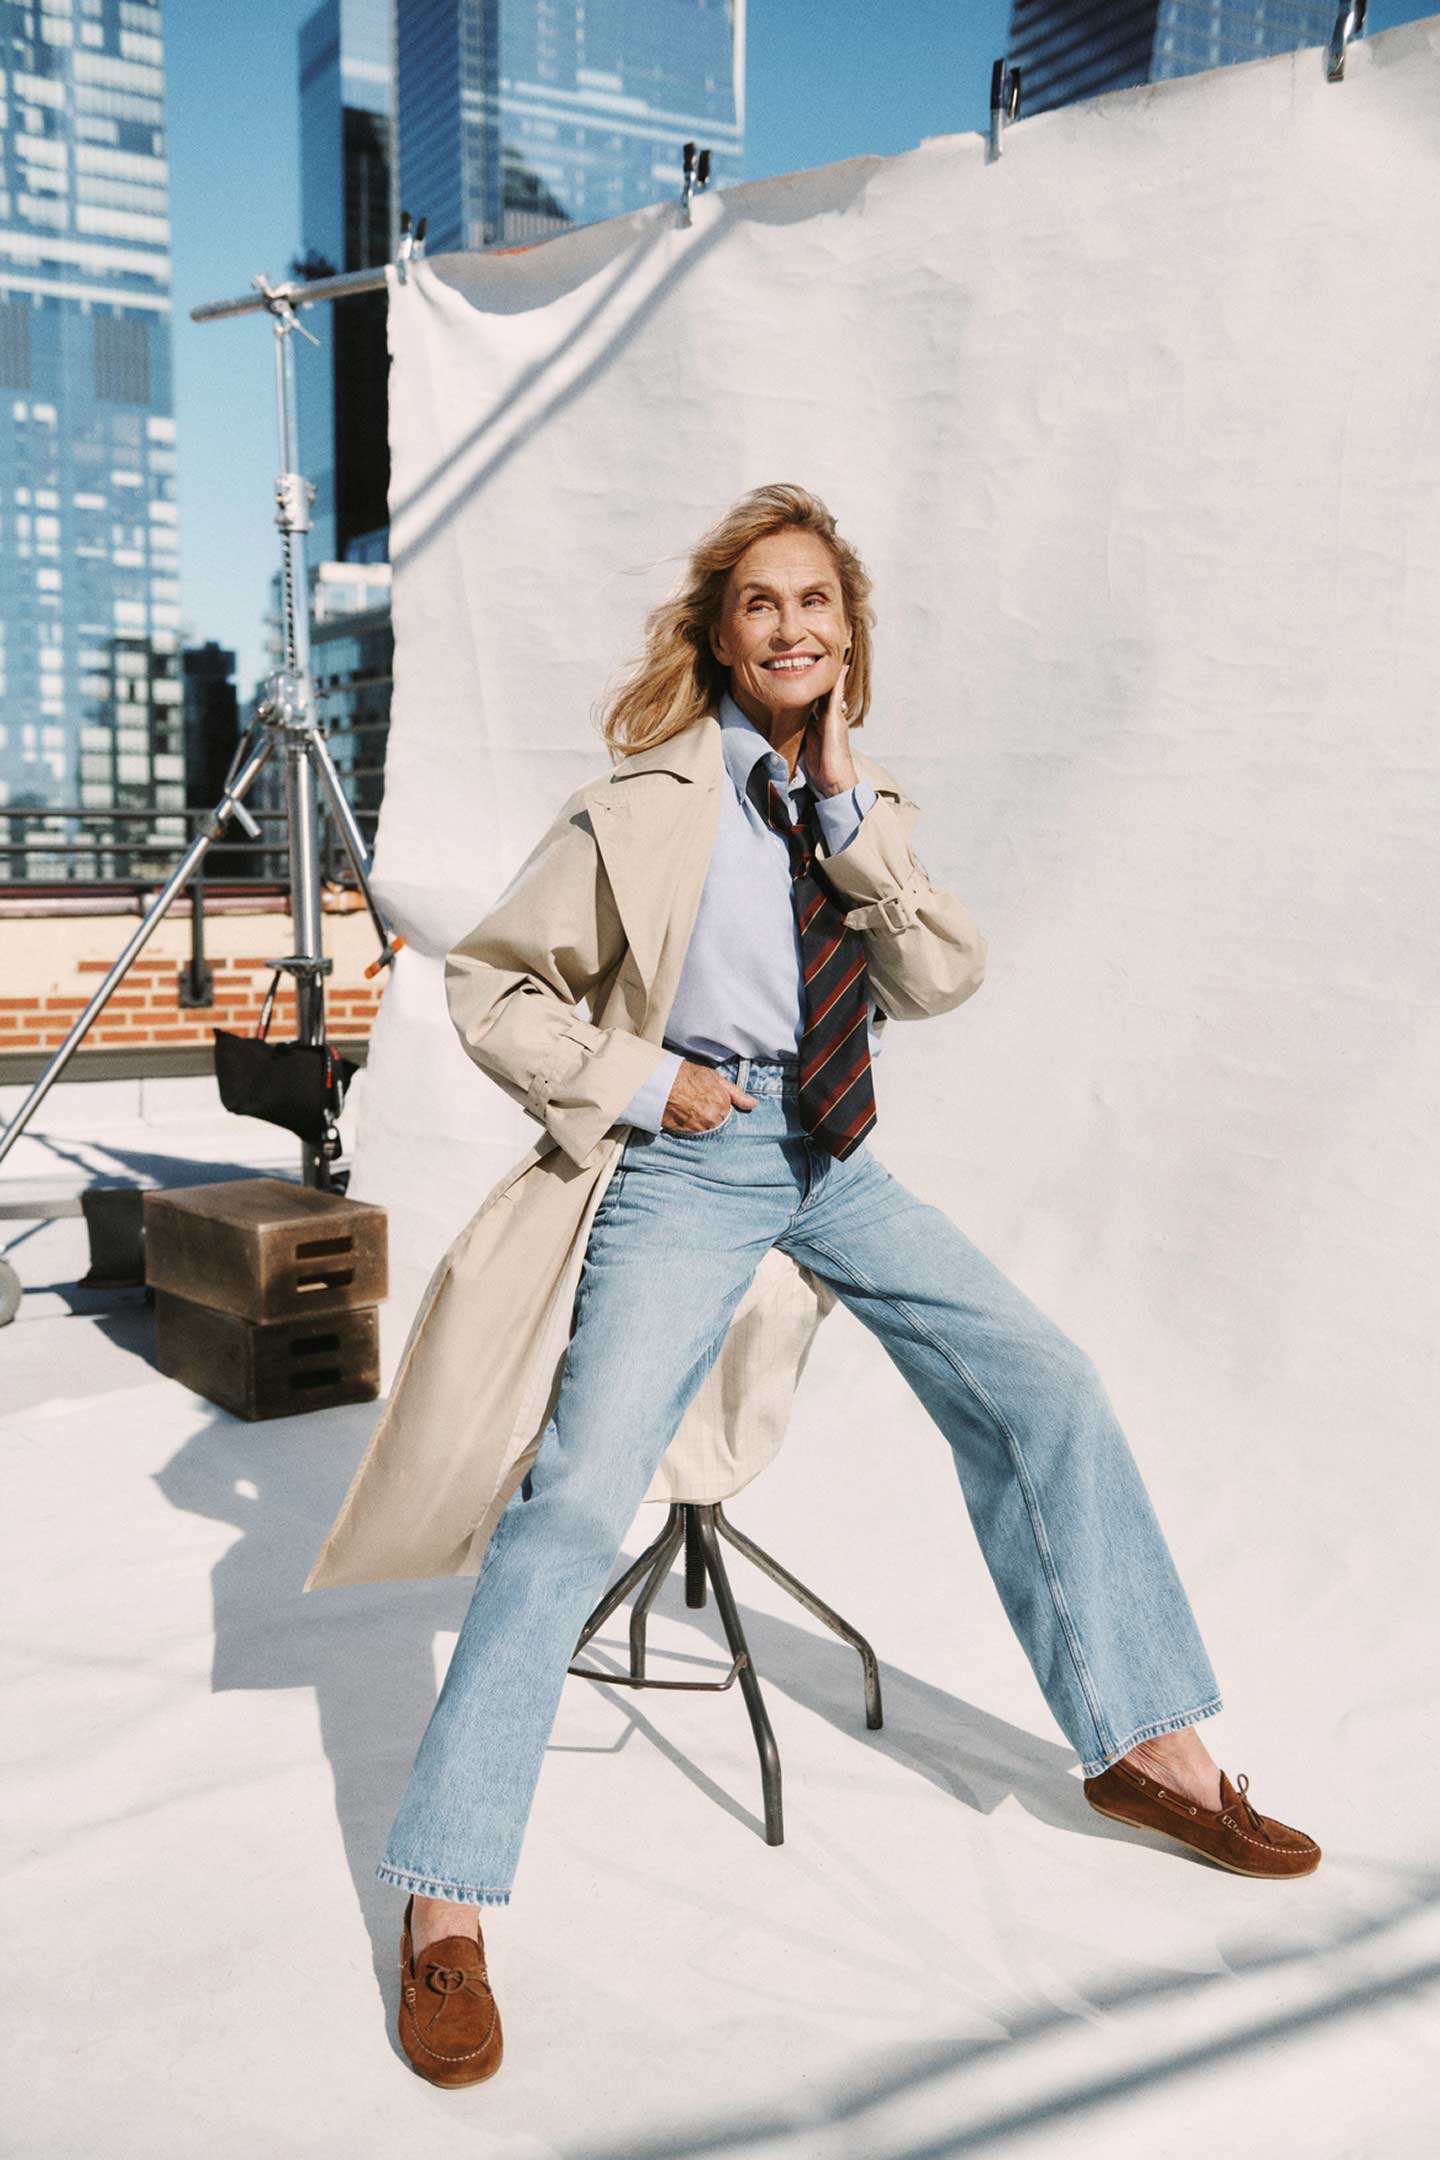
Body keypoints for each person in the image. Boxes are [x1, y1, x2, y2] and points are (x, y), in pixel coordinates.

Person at [380, 483, 1320, 2089]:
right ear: (722, 632)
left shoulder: (849, 804)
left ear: (848, 631)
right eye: (763, 603)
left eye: (819, 602)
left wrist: (854, 820)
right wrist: (634, 1073)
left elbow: (942, 976)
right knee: (572, 1495)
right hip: (691, 1158)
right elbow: (486, 983)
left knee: (1044, 1381)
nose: (794, 625)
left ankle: (1149, 1747)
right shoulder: (640, 806)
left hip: (836, 1156)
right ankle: (446, 1905)